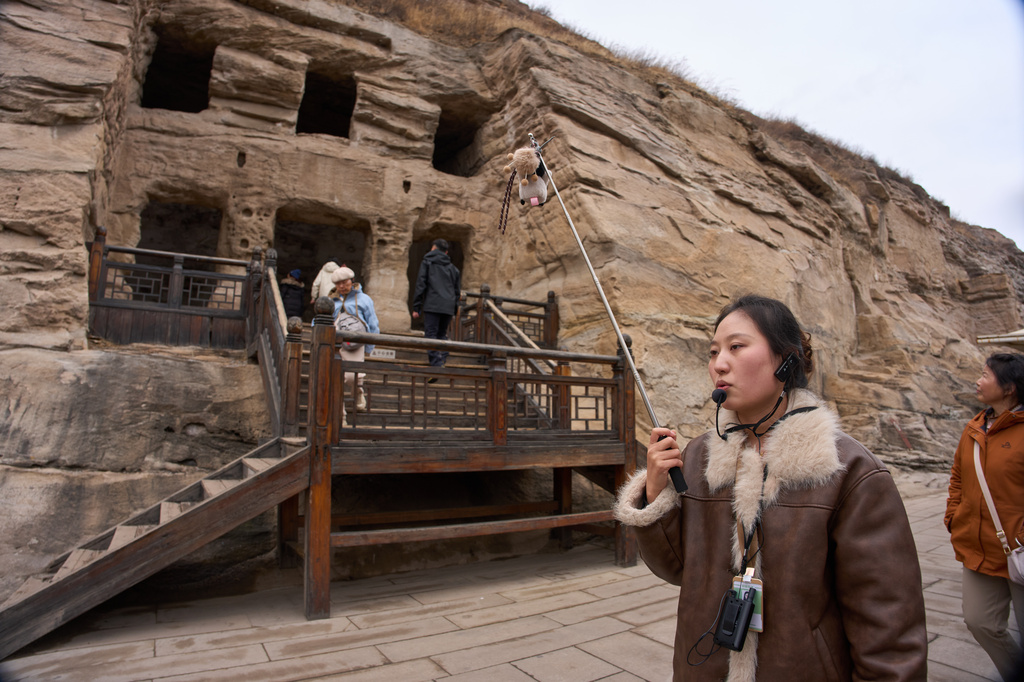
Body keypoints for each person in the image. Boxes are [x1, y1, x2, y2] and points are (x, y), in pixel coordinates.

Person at [614, 294, 928, 681]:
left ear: (787, 359)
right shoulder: (698, 457)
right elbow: (676, 568)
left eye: (737, 347)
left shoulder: (848, 471)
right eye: (713, 352)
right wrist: (657, 494)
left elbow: (888, 625)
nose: (719, 364)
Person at [945, 353, 1024, 681]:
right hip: (978, 550)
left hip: (1020, 551)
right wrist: (954, 516)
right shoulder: (975, 427)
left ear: (1009, 388)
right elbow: (958, 477)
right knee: (980, 623)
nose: (978, 380)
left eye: (986, 375)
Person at [330, 266, 379, 413]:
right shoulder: (330, 300)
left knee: (353, 377)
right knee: (334, 378)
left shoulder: (364, 299)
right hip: (334, 341)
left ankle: (358, 393)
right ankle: (340, 414)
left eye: (344, 282)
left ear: (352, 281)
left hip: (354, 342)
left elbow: (373, 323)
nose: (341, 286)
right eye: (338, 283)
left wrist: (370, 347)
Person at [411, 239, 461, 371]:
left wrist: (416, 307)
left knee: (431, 334)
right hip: (448, 306)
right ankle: (442, 357)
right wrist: (454, 309)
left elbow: (421, 284)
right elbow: (457, 292)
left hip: (433, 304)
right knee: (442, 334)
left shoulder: (427, 263)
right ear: (446, 252)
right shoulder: (453, 269)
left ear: (433, 249)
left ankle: (437, 363)